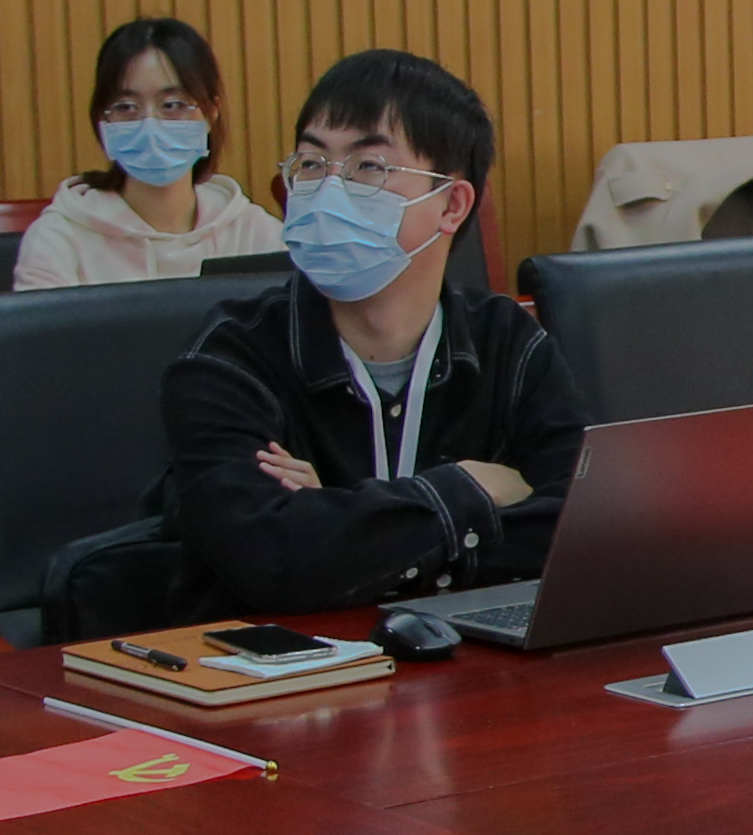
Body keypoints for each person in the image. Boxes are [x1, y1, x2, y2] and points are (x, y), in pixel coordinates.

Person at [158, 49, 583, 612]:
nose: (328, 191)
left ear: (452, 205)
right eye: (312, 164)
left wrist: (344, 519)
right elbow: (271, 558)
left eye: (368, 168)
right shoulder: (229, 356)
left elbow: (578, 531)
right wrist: (467, 490)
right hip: (282, 659)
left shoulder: (507, 341)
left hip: (471, 652)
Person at [13, 16, 282, 290]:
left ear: (211, 112)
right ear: (102, 119)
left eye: (173, 104)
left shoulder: (254, 233)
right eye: (126, 107)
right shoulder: (59, 240)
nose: (150, 125)